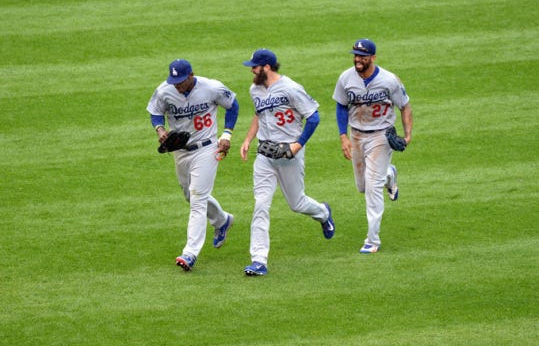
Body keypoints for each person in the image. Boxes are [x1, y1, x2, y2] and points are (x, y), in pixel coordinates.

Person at [240, 49, 335, 276]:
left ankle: (323, 213)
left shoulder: (291, 88)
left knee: (297, 204)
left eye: (255, 66)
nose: (252, 70)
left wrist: (298, 144)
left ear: (267, 67)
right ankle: (259, 260)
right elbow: (258, 115)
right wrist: (247, 139)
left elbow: (314, 117)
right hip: (264, 155)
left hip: (289, 154)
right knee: (261, 205)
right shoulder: (255, 89)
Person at [146, 59, 239, 271]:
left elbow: (233, 104)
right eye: (174, 80)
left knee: (197, 198)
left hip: (207, 148)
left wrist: (227, 134)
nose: (177, 85)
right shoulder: (164, 91)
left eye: (181, 81)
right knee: (190, 195)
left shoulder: (211, 87)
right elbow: (155, 111)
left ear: (191, 75)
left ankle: (190, 253)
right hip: (179, 150)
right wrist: (160, 129)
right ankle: (222, 221)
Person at [333, 39, 413, 254]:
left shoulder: (389, 80)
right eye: (356, 55)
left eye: (363, 56)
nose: (358, 60)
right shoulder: (345, 78)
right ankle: (389, 175)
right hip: (357, 135)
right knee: (362, 187)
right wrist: (343, 136)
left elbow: (404, 106)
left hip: (381, 136)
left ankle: (372, 240)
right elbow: (341, 106)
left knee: (372, 189)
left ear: (373, 58)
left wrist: (407, 136)